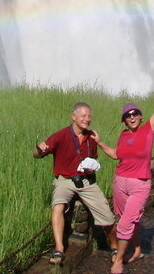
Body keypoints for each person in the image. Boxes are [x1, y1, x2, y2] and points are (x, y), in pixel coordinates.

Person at [93, 69, 154, 274]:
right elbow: (117, 154)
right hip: (120, 182)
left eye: (135, 113)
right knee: (126, 220)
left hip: (139, 184)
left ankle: (118, 260)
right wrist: (99, 142)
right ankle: (137, 250)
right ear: (124, 120)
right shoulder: (123, 135)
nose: (132, 117)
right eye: (127, 115)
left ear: (141, 116)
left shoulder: (148, 130)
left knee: (125, 223)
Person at [33, 102, 115, 266]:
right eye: (83, 116)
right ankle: (59, 248)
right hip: (65, 179)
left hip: (86, 180)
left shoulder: (92, 137)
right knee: (58, 206)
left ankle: (114, 247)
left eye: (89, 116)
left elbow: (94, 157)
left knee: (107, 214)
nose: (87, 119)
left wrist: (91, 166)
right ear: (73, 117)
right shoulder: (60, 135)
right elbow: (37, 154)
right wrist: (39, 149)